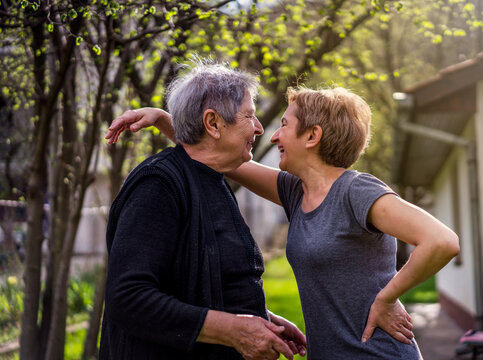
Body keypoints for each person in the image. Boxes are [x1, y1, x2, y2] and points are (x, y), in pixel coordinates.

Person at [108, 86, 460, 359]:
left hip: (377, 353)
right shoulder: (296, 192)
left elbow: (441, 241)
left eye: (285, 126)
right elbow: (225, 157)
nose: (273, 136)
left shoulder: (356, 190)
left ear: (312, 136)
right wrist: (164, 119)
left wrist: (386, 298)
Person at [100, 62, 307, 360]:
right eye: (249, 115)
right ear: (213, 124)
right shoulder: (158, 184)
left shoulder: (209, 177)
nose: (259, 128)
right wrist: (233, 329)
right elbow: (129, 297)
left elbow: (200, 280)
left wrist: (260, 318)